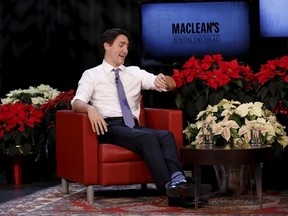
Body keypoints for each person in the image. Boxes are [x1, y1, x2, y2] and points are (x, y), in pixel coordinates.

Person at [71, 28, 210, 207]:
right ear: (107, 45)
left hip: (133, 127)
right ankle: (170, 189)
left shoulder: (134, 72)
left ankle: (179, 182)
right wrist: (90, 109)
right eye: (121, 45)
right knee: (148, 137)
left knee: (166, 136)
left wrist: (165, 80)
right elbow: (76, 103)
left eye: (127, 46)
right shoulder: (91, 75)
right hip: (110, 127)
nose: (125, 51)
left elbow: (167, 83)